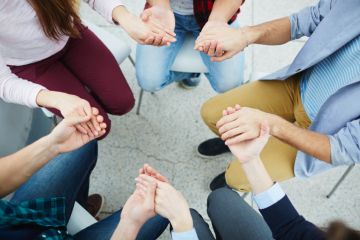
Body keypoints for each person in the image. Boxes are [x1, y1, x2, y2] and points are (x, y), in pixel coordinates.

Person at [195, 0, 360, 191]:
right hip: (297, 85)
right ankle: (238, 139)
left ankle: (238, 160)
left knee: (236, 177)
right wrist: (245, 35)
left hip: (322, 134)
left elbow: (343, 149)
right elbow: (308, 19)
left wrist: (272, 124)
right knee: (212, 113)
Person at [0, 0, 176, 139]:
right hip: (28, 64)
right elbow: (3, 82)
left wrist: (127, 19)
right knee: (100, 128)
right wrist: (55, 99)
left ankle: (85, 87)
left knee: (123, 103)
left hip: (69, 33)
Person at [0, 112, 168, 240]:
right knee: (161, 207)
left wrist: (53, 144)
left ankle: (77, 205)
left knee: (80, 145)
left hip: (18, 219)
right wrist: (130, 223)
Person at [135, 0, 246, 92]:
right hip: (162, 11)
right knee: (148, 82)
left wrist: (218, 20)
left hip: (216, 12)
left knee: (230, 85)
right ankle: (192, 73)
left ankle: (194, 73)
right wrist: (160, 7)